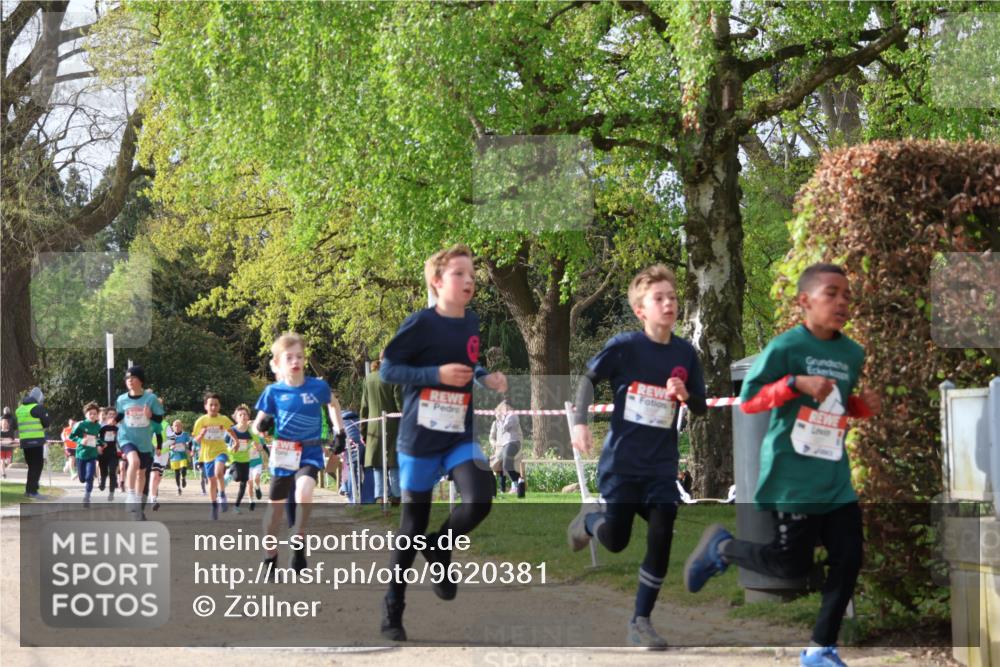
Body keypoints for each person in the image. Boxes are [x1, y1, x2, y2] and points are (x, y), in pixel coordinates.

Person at [683, 263, 881, 667]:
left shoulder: (851, 353)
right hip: (793, 477)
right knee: (791, 563)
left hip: (834, 478)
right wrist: (795, 383)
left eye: (846, 294)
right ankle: (722, 547)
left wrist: (861, 406)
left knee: (849, 558)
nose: (842, 302)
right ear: (805, 301)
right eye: (831, 293)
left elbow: (836, 405)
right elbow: (750, 401)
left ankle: (820, 649)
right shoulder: (786, 348)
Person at [566, 264, 707, 649]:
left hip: (660, 466)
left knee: (662, 530)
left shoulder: (685, 353)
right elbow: (588, 380)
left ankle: (641, 620)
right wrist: (579, 424)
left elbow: (701, 407)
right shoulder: (626, 346)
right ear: (640, 310)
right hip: (622, 464)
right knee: (617, 540)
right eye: (659, 298)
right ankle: (590, 520)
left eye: (672, 297)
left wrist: (686, 395)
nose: (669, 304)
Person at [378, 244, 507, 641]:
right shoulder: (420, 323)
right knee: (411, 527)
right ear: (437, 282)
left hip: (457, 434)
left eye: (472, 275)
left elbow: (467, 363)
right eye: (459, 274)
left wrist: (483, 376)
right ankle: (393, 610)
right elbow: (388, 370)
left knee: (480, 497)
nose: (469, 281)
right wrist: (435, 374)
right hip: (419, 439)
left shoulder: (471, 322)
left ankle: (440, 546)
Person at [254, 332, 346, 573]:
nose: (295, 361)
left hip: (309, 451)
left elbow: (333, 404)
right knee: (274, 513)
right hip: (284, 453)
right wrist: (262, 425)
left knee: (304, 491)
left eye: (300, 356)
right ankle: (270, 555)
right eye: (289, 357)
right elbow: (256, 425)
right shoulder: (273, 392)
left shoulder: (317, 387)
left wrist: (340, 431)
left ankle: (298, 536)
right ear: (278, 363)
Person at [114, 366, 165, 519]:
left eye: (133, 378)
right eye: (127, 378)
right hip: (126, 437)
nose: (129, 380)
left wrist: (150, 416)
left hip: (144, 441)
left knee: (141, 473)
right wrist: (113, 421)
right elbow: (120, 414)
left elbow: (159, 419)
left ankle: (137, 499)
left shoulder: (151, 399)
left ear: (141, 380)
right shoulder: (122, 399)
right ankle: (130, 495)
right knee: (134, 461)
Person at [360, 352, 403, 506]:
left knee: (378, 463)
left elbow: (364, 407)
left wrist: (363, 431)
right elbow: (399, 403)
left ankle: (380, 496)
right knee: (393, 461)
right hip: (393, 425)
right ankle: (396, 495)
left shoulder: (368, 378)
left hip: (373, 426)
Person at [193, 393, 239, 520]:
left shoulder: (223, 419)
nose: (213, 407)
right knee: (212, 481)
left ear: (219, 406)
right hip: (207, 455)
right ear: (205, 406)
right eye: (211, 405)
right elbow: (195, 440)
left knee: (219, 473)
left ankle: (222, 495)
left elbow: (230, 430)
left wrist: (236, 441)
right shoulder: (201, 421)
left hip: (221, 451)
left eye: (216, 405)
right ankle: (214, 506)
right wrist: (201, 435)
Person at [16, 387, 51, 499]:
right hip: (36, 441)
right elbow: (46, 423)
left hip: (25, 442)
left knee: (32, 466)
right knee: (37, 466)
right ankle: (32, 491)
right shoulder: (37, 408)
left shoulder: (20, 409)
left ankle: (29, 490)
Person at [489, 400, 525, 497]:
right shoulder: (503, 418)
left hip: (513, 442)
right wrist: (500, 419)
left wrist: (500, 419)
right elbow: (496, 433)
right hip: (504, 445)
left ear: (509, 407)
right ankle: (518, 482)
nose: (502, 410)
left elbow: (504, 427)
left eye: (504, 407)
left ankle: (517, 483)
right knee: (497, 465)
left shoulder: (512, 415)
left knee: (506, 465)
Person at [70, 402, 102, 506]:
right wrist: (80, 440)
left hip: (92, 455)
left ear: (97, 415)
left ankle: (87, 497)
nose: (92, 415)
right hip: (81, 455)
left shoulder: (98, 426)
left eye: (95, 414)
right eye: (90, 413)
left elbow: (99, 438)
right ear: (86, 414)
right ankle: (81, 476)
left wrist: (101, 444)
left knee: (89, 477)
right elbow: (71, 436)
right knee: (82, 479)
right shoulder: (80, 425)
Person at [227, 405, 254, 514]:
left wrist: (259, 445)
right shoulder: (232, 430)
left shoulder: (250, 431)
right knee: (237, 477)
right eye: (240, 415)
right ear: (236, 418)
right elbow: (224, 443)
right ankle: (229, 472)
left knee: (244, 483)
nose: (243, 416)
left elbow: (258, 440)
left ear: (248, 417)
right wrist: (230, 448)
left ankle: (236, 506)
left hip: (245, 459)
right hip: (234, 458)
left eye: (245, 414)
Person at [97, 407, 120, 500]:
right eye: (110, 414)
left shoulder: (118, 427)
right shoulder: (101, 426)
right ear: (106, 416)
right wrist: (99, 445)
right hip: (103, 452)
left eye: (114, 414)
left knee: (112, 471)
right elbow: (96, 437)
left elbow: (121, 439)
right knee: (104, 471)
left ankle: (111, 492)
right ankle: (102, 482)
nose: (112, 416)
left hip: (113, 452)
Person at [168, 419, 192, 496]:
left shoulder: (185, 435)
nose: (177, 427)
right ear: (172, 427)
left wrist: (188, 447)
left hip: (182, 455)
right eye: (175, 426)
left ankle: (183, 478)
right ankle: (178, 488)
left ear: (181, 427)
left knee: (184, 468)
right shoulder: (171, 435)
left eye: (179, 426)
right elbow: (167, 445)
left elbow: (190, 443)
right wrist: (171, 447)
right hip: (174, 456)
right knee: (177, 472)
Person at [0, 407, 15, 479]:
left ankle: (4, 466)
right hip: (1, 449)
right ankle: (3, 474)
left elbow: (11, 439)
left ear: (8, 424)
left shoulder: (10, 431)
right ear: (1, 424)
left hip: (8, 448)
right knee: (2, 461)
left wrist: (4, 439)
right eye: (3, 424)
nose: (4, 425)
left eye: (6, 424)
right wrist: (5, 439)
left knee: (8, 462)